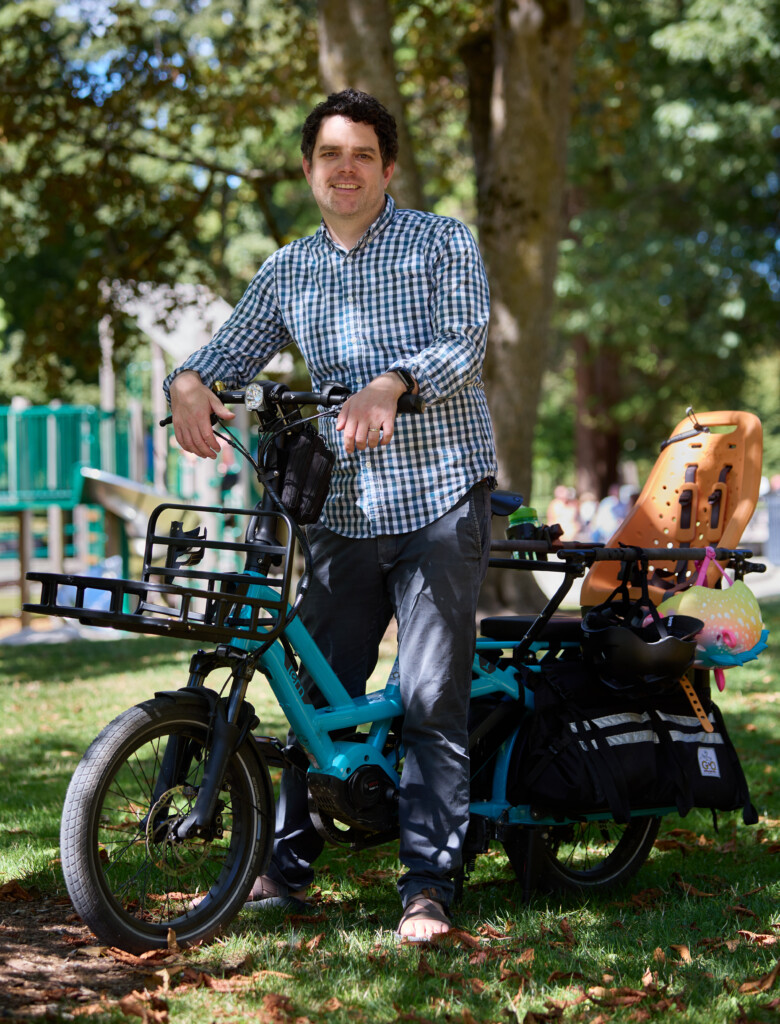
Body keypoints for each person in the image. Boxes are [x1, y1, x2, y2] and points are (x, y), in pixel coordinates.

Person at [164, 89, 498, 940]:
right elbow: (226, 350)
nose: (344, 169)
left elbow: (464, 341)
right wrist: (189, 382)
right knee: (320, 693)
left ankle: (428, 887)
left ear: (389, 167)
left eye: (361, 155)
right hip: (342, 510)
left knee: (428, 698)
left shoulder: (439, 242)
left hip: (439, 496)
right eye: (328, 156)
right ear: (310, 171)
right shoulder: (290, 267)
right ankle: (287, 865)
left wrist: (393, 382)